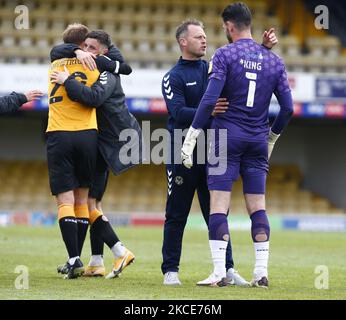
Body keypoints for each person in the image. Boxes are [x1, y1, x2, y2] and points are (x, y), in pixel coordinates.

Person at [181, 2, 293, 288]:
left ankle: (219, 273)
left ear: (229, 27)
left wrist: (193, 133)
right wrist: (272, 137)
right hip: (257, 140)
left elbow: (209, 99)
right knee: (258, 207)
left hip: (224, 138)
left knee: (219, 205)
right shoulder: (274, 61)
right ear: (249, 24)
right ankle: (261, 273)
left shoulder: (224, 54)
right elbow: (288, 108)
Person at [161, 19, 278, 286]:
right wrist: (209, 110)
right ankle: (170, 270)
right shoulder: (173, 77)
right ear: (183, 42)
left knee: (217, 212)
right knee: (176, 213)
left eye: (205, 36)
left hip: (216, 150)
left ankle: (227, 268)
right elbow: (177, 113)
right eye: (198, 37)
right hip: (183, 153)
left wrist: (264, 49)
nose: (204, 40)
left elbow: (246, 69)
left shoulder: (215, 67)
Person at [51, 30, 142, 279]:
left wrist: (67, 80)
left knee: (89, 204)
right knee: (94, 204)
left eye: (92, 47)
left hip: (109, 142)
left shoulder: (107, 72)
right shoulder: (86, 59)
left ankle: (119, 251)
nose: (88, 51)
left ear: (103, 50)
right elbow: (56, 51)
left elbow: (93, 98)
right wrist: (77, 52)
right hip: (99, 141)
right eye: (84, 46)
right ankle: (96, 261)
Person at [47, 23, 101, 279]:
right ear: (83, 45)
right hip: (88, 135)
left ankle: (72, 258)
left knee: (65, 201)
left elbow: (56, 51)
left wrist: (74, 51)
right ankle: (76, 258)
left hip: (60, 134)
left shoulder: (55, 67)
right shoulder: (94, 67)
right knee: (81, 200)